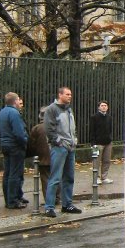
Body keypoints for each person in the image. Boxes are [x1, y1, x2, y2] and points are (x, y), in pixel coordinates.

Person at [44, 86, 81, 217]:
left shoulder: (69, 109)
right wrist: (59, 142)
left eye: (70, 94)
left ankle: (67, 204)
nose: (70, 96)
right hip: (60, 148)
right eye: (67, 94)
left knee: (69, 177)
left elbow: (72, 128)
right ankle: (49, 207)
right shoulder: (52, 109)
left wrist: (74, 139)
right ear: (60, 95)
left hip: (70, 147)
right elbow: (49, 129)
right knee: (55, 178)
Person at [0, 92, 28, 209]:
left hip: (5, 145)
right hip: (15, 146)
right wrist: (25, 142)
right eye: (18, 100)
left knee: (8, 173)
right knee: (15, 173)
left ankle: (10, 198)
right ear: (15, 101)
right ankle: (13, 200)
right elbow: (19, 133)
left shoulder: (2, 112)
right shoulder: (14, 113)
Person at [28, 107, 60, 208]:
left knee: (45, 179)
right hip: (57, 156)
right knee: (57, 177)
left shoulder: (37, 128)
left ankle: (49, 200)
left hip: (43, 157)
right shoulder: (57, 126)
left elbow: (32, 144)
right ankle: (57, 198)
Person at [89, 100, 113, 184]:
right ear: (99, 107)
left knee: (107, 161)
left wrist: (110, 139)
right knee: (96, 161)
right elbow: (92, 131)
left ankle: (104, 177)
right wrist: (93, 144)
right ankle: (96, 178)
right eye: (102, 105)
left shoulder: (109, 117)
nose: (104, 107)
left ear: (107, 107)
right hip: (97, 143)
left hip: (108, 143)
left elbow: (110, 129)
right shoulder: (94, 117)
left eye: (105, 105)